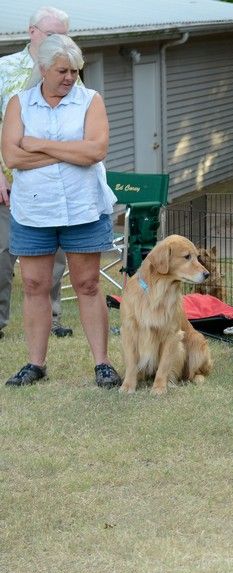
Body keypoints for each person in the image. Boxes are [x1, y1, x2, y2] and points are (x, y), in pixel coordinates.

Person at [0, 34, 121, 388]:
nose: (70, 77)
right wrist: (70, 151)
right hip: (34, 211)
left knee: (88, 284)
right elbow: (13, 157)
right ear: (43, 69)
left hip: (82, 208)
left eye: (74, 71)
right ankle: (35, 364)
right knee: (35, 284)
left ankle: (102, 363)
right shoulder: (19, 104)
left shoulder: (90, 101)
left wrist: (38, 144)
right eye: (62, 71)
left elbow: (95, 151)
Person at [0, 6, 75, 340]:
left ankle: (52, 317)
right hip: (9, 180)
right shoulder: (4, 69)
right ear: (32, 32)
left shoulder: (69, 71)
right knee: (2, 255)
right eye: (52, 34)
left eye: (64, 35)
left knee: (53, 258)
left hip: (51, 181)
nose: (59, 41)